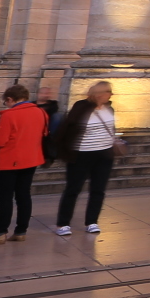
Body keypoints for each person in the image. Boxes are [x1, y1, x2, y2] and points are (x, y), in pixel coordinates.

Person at [52, 81, 119, 236]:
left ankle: (92, 221)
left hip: (104, 154)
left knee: (98, 189)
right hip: (82, 154)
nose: (110, 95)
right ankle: (63, 223)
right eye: (108, 92)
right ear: (99, 93)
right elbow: (67, 128)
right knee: (73, 189)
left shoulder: (110, 108)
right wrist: (62, 150)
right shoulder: (81, 107)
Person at [0, 84, 47, 243]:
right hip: (31, 159)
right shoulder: (41, 112)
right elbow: (44, 133)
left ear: (10, 99)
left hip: (9, 160)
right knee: (24, 195)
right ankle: (21, 231)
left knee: (5, 198)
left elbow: (0, 140)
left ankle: (0, 233)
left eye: (6, 102)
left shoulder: (9, 115)